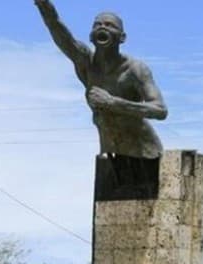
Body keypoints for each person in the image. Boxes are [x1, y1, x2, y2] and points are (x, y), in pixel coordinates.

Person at [34, 0, 168, 160]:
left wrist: (112, 102)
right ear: (91, 35)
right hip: (109, 154)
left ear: (122, 37)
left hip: (144, 154)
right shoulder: (86, 64)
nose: (102, 27)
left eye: (110, 25)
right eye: (97, 25)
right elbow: (58, 30)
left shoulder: (135, 69)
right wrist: (43, 5)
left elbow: (160, 110)